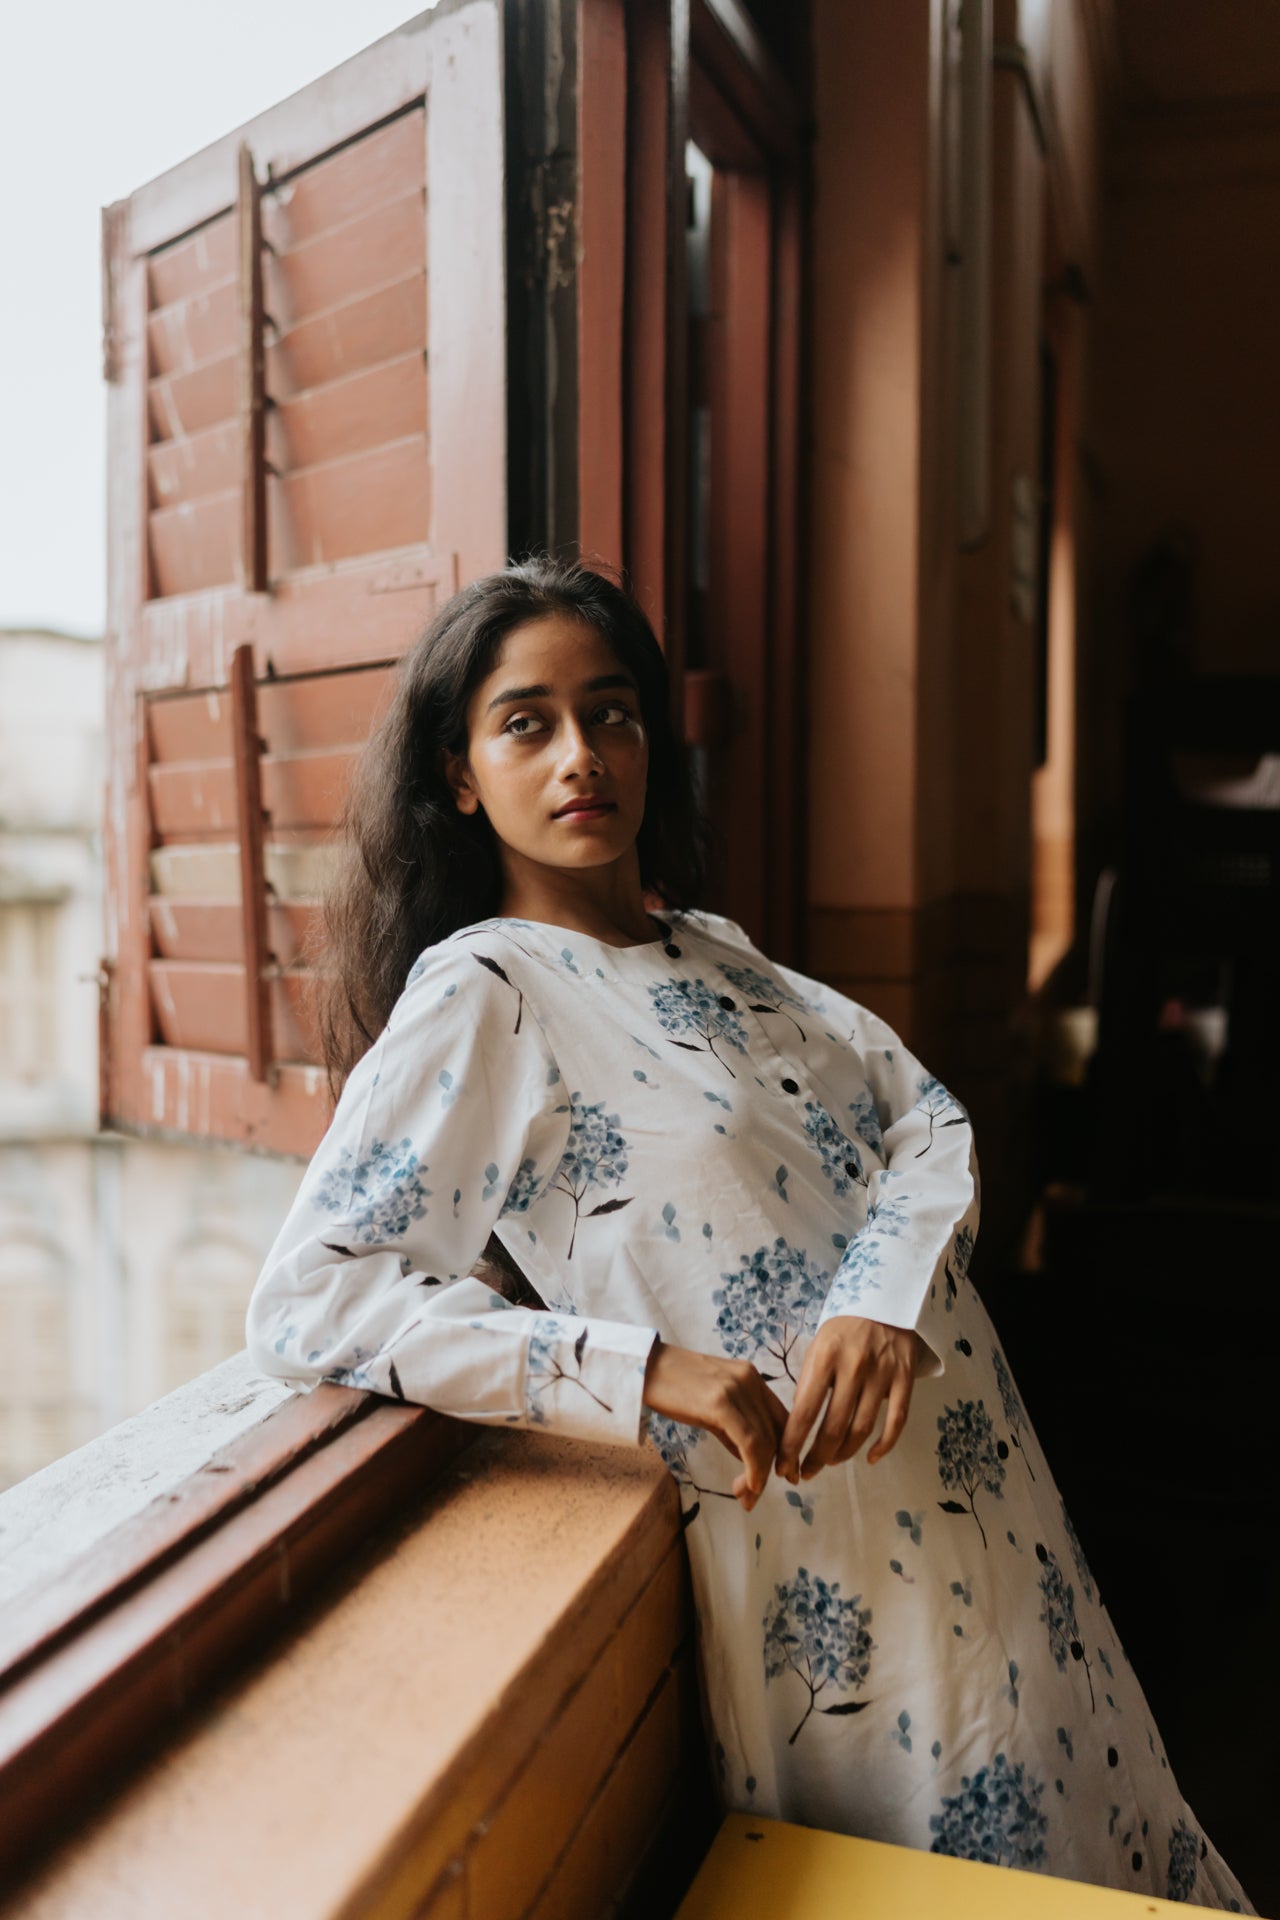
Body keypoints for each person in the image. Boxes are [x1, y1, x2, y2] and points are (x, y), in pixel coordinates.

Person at [246, 558, 1252, 1911]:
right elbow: (312, 1297)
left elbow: (928, 1120)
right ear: (460, 774)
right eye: (528, 722)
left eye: (612, 713)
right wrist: (641, 1370)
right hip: (828, 1562)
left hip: (985, 1498)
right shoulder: (485, 993)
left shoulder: (714, 950)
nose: (582, 755)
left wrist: (879, 1298)